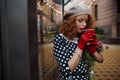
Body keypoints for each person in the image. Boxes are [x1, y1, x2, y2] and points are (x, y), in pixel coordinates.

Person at [53, 3, 103, 80]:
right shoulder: (60, 39)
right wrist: (80, 46)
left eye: (86, 21)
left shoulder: (83, 36)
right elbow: (67, 70)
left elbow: (100, 60)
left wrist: (93, 51)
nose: (84, 24)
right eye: (80, 20)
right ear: (71, 22)